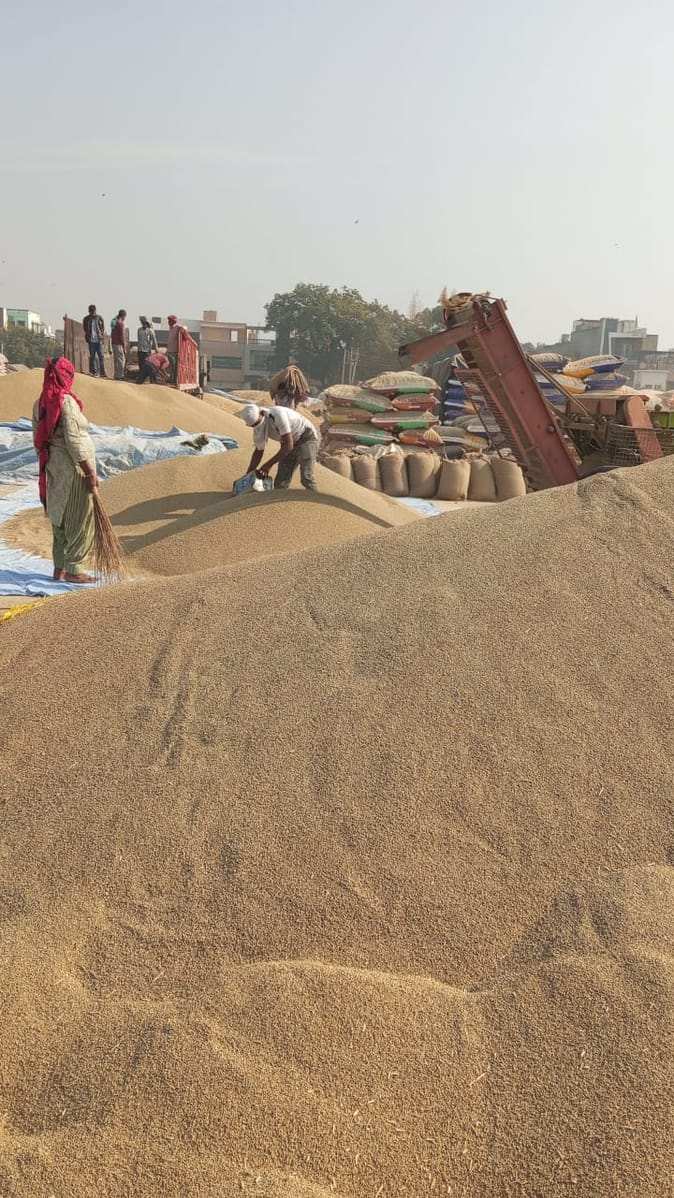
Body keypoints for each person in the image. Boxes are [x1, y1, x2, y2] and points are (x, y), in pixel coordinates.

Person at [32, 357, 98, 584]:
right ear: (65, 377)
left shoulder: (40, 403)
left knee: (59, 517)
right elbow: (74, 441)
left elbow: (37, 440)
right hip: (73, 471)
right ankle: (74, 569)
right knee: (80, 521)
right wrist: (89, 472)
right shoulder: (65, 402)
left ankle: (59, 567)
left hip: (53, 469)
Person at [241, 403, 319, 490]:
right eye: (254, 425)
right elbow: (258, 451)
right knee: (280, 482)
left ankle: (316, 498)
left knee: (306, 477)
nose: (257, 426)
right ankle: (280, 499)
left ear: (262, 413)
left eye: (258, 423)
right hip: (287, 443)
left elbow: (288, 445)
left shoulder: (278, 415)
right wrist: (248, 475)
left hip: (306, 437)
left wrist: (268, 465)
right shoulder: (257, 428)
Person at [83, 304, 106, 377]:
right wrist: (88, 336)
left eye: (93, 312)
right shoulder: (86, 319)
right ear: (89, 312)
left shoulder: (100, 318)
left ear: (95, 311)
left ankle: (102, 373)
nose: (92, 313)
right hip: (91, 341)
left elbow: (102, 328)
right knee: (92, 357)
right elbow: (85, 328)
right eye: (90, 312)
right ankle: (94, 372)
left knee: (101, 356)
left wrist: (101, 336)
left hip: (99, 340)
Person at [166, 314, 184, 383]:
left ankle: (173, 380)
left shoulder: (177, 327)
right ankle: (170, 379)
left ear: (173, 322)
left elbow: (184, 328)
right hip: (170, 351)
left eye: (169, 321)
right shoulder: (170, 328)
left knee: (174, 367)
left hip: (174, 351)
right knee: (170, 366)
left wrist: (182, 329)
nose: (168, 322)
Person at [111, 309, 127, 379]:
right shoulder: (121, 323)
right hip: (119, 344)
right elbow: (122, 336)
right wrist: (124, 347)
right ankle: (121, 375)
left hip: (114, 343)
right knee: (121, 360)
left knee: (116, 360)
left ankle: (116, 375)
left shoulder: (114, 322)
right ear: (123, 316)